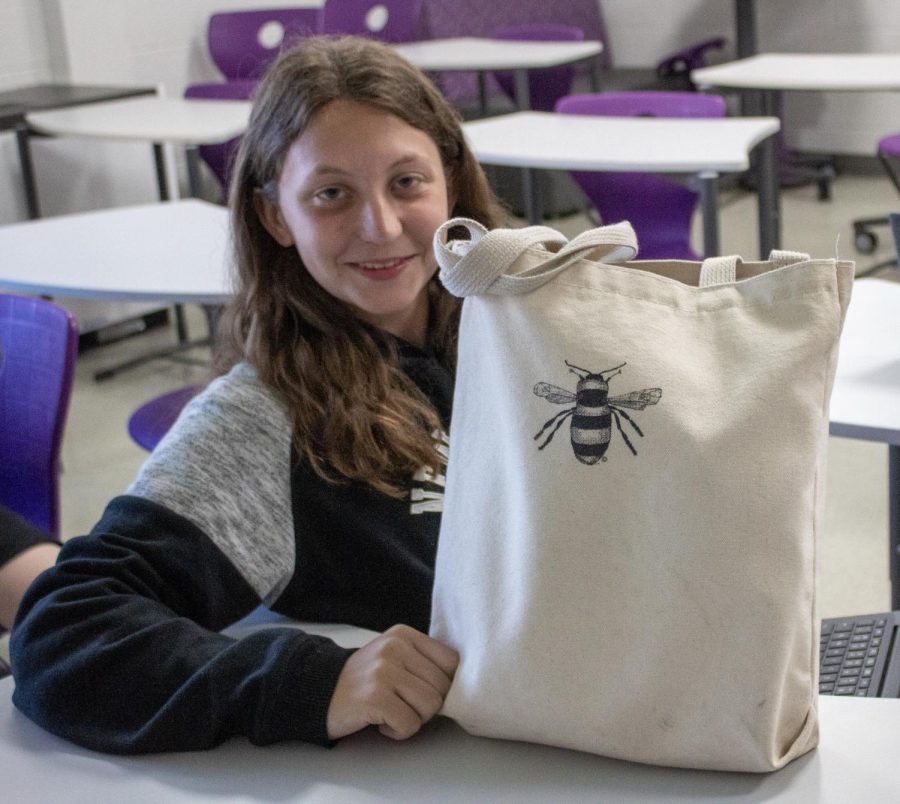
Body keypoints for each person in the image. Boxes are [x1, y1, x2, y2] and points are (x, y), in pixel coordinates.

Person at [10, 35, 507, 754]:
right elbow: (65, 628)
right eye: (331, 194)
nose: (382, 226)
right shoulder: (268, 417)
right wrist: (312, 682)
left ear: (451, 183)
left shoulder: (531, 333)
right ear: (277, 217)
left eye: (407, 182)